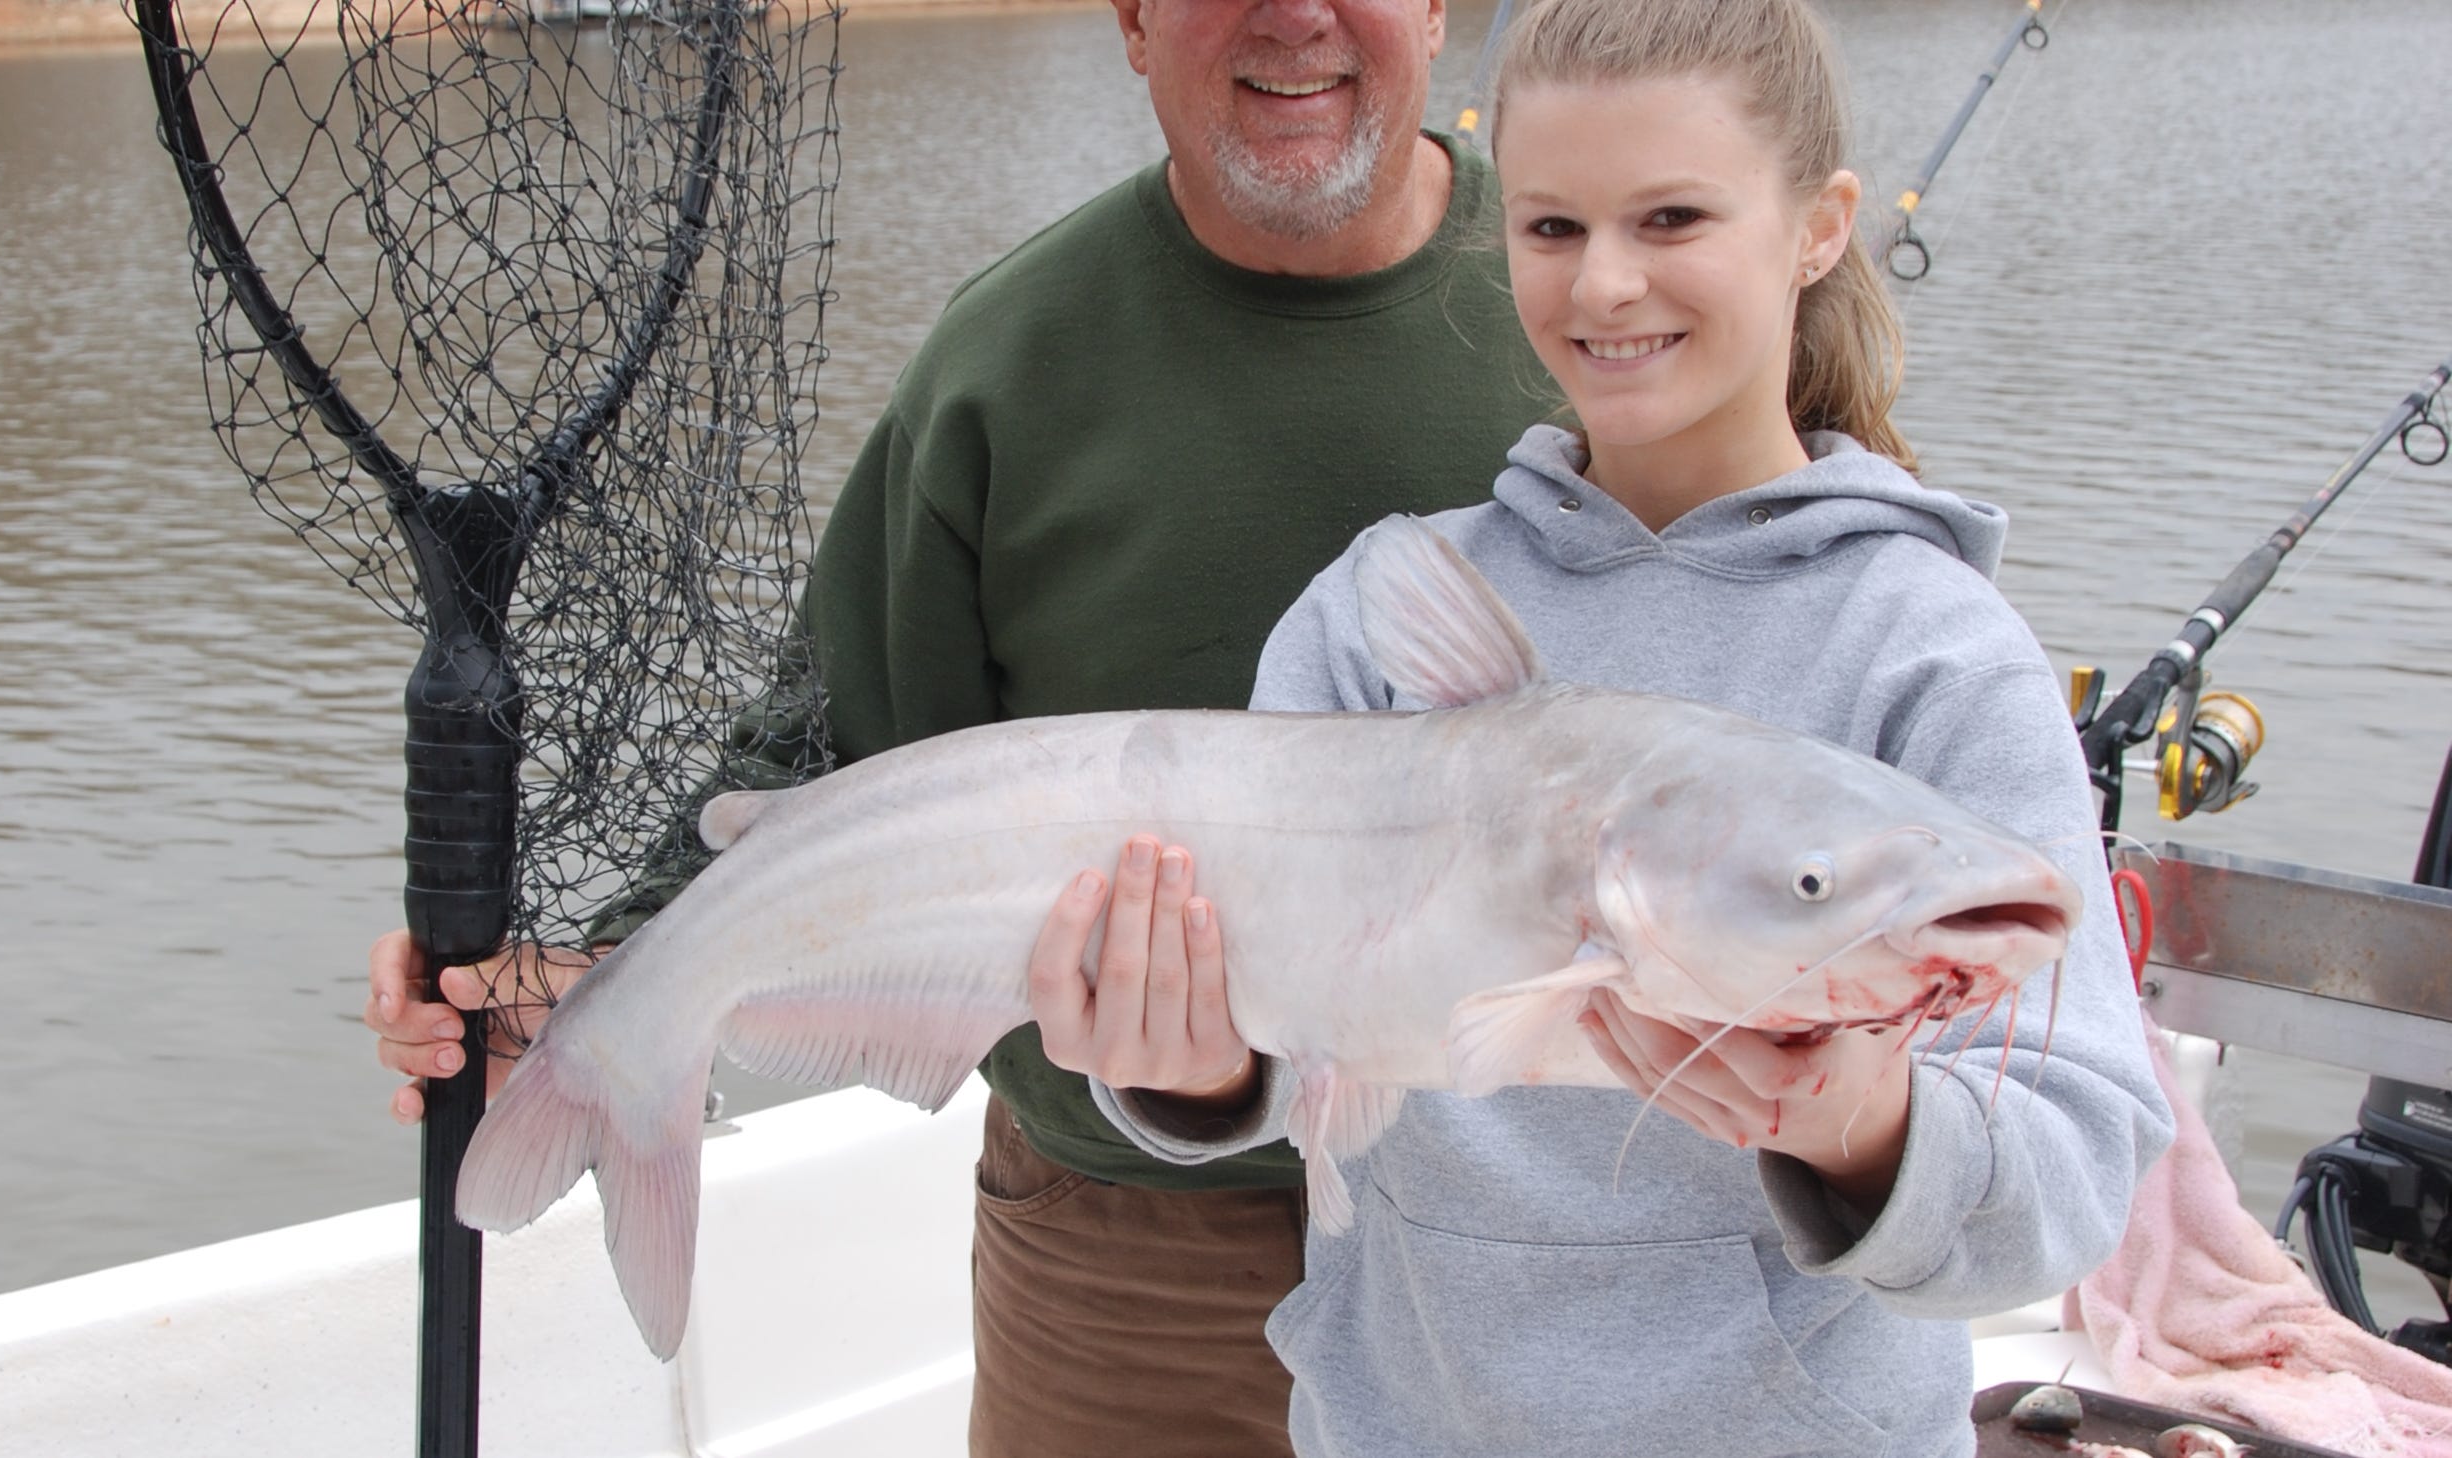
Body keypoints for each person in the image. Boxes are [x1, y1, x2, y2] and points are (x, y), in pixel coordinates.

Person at [362, 0, 1553, 1451]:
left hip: (1563, 1236)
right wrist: (592, 986)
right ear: (1130, 18)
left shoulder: (1601, 309)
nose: (1291, 14)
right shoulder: (1006, 363)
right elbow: (823, 743)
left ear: (1439, 6)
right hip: (1125, 1258)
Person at [1024, 0, 2178, 1452]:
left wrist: (1857, 1121)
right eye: (1555, 228)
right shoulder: (1379, 613)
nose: (1608, 284)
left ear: (1820, 226)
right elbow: (1294, 1064)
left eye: (1675, 216)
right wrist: (1183, 1059)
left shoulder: (1935, 654)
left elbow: (2077, 1171)